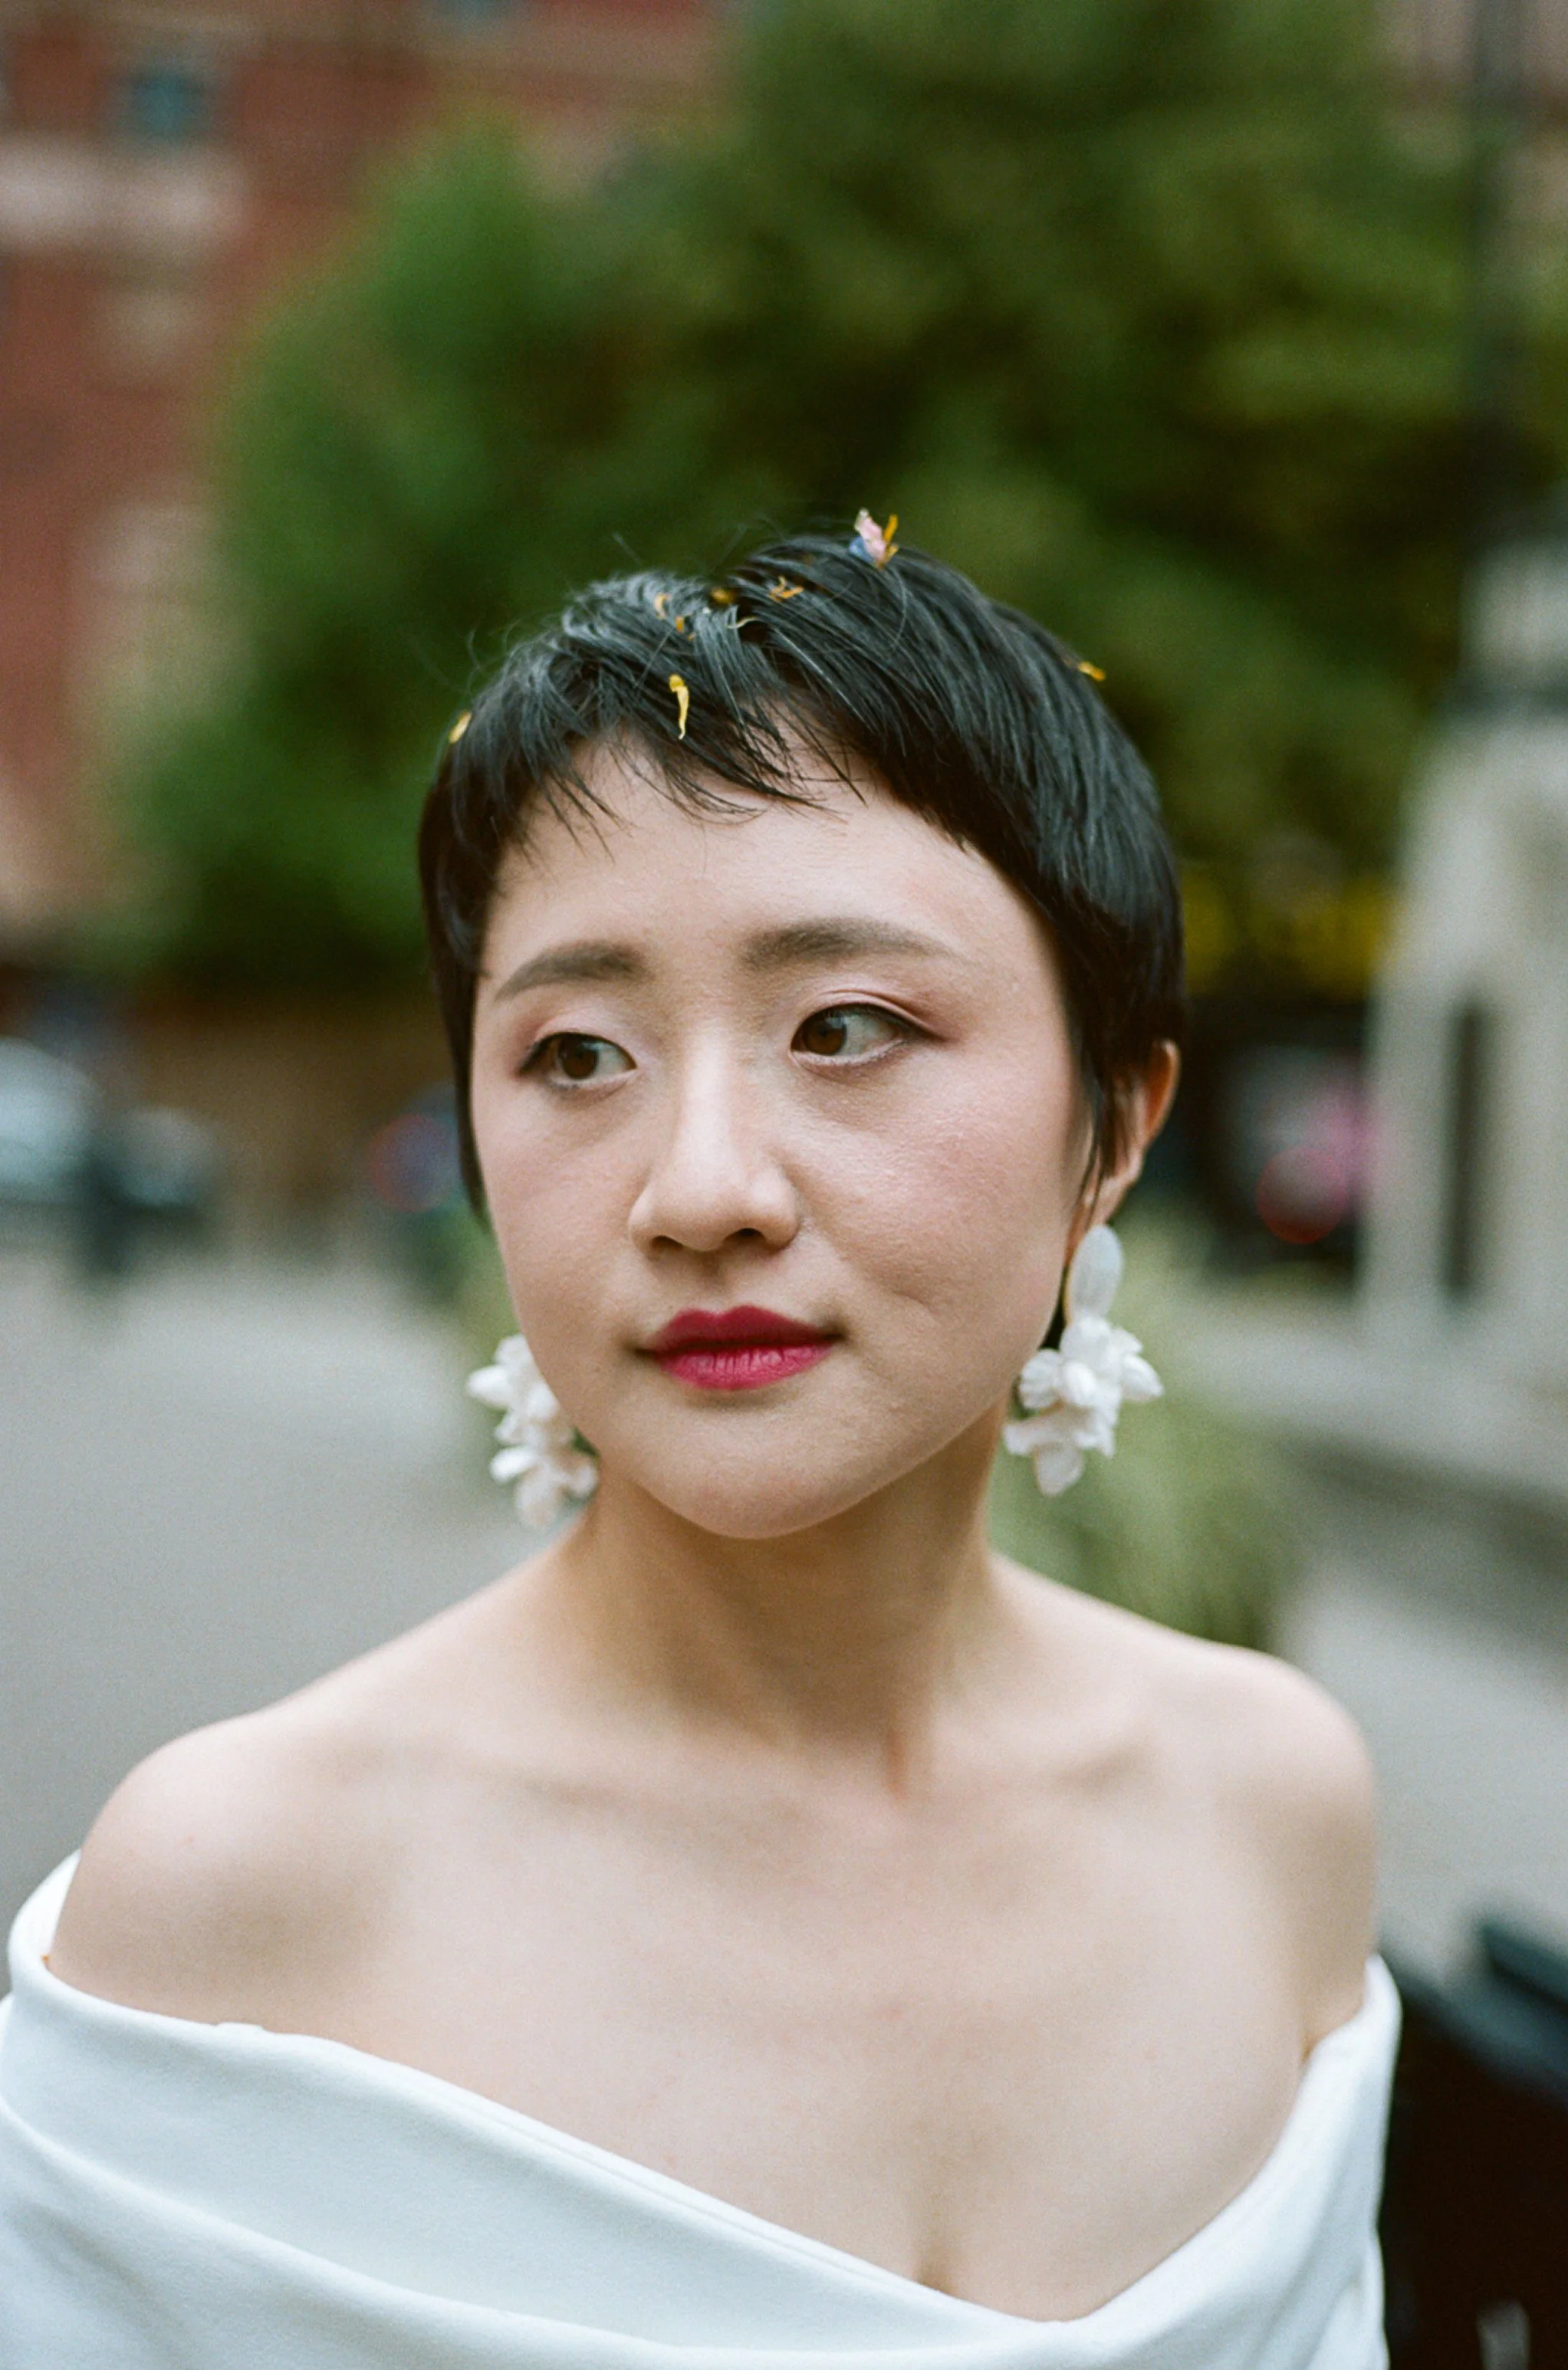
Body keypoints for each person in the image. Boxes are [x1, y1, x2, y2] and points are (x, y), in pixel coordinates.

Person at [0, 525, 1394, 2368]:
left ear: (1114, 1124)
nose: (703, 1190)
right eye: (576, 1054)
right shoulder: (242, 1893)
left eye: (847, 1025)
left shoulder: (1268, 1811)